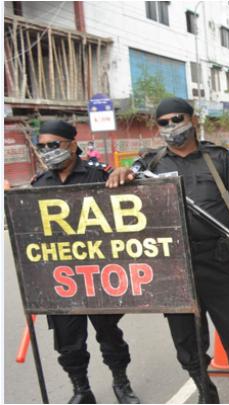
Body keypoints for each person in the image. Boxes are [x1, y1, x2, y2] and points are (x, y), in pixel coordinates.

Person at [107, 97, 229, 404]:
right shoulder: (151, 164)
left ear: (193, 121)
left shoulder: (218, 158)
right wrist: (120, 172)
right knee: (186, 338)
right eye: (163, 123)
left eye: (176, 119)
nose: (171, 127)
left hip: (218, 259)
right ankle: (205, 388)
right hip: (173, 267)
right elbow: (124, 182)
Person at [31, 120, 140, 404]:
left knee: (110, 336)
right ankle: (81, 390)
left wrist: (127, 174)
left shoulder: (99, 175)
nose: (46, 151)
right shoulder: (39, 185)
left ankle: (121, 383)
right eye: (42, 146)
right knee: (69, 345)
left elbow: (131, 205)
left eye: (53, 145)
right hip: (62, 281)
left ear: (73, 145)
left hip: (99, 277)